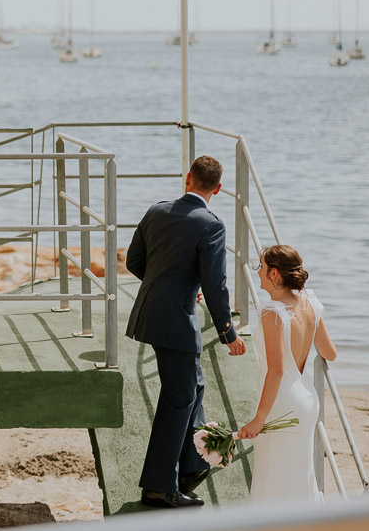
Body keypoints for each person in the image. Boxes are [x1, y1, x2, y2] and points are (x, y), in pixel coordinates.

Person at [126, 155, 247, 509]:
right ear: (218, 188)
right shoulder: (211, 224)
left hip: (150, 312)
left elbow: (135, 262)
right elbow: (214, 285)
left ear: (188, 179)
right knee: (179, 399)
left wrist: (168, 287)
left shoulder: (156, 211)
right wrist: (229, 333)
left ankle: (190, 467)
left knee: (192, 388)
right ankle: (160, 488)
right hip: (176, 321)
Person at [237, 245, 336, 502]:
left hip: (281, 404)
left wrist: (259, 418)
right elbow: (329, 352)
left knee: (272, 480)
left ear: (274, 273)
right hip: (306, 400)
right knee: (299, 476)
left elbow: (277, 369)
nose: (257, 272)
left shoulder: (273, 312)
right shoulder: (310, 303)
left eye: (261, 266)